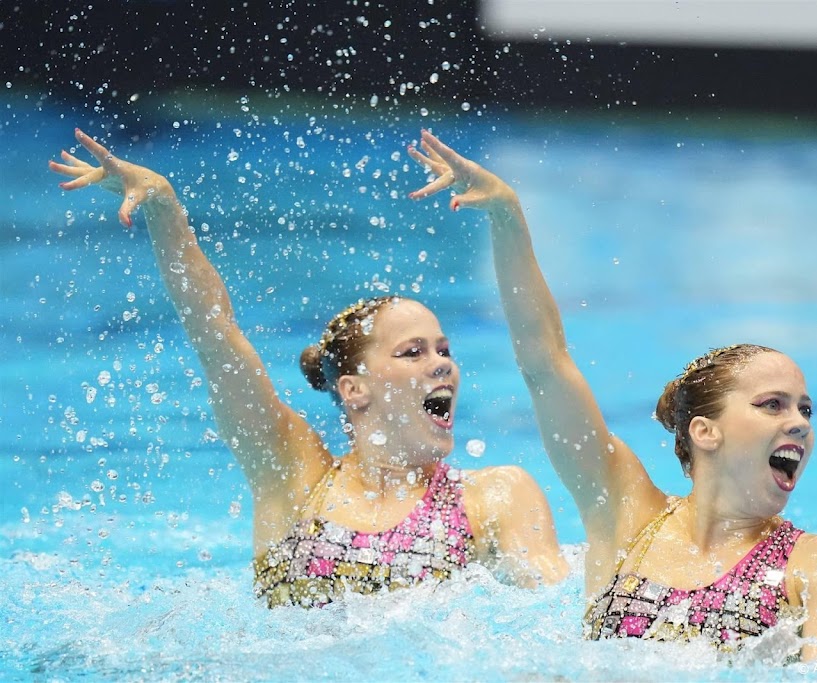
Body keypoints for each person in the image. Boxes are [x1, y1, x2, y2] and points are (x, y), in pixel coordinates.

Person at [49, 129, 568, 608]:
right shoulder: (293, 474)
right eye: (413, 352)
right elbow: (215, 336)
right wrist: (164, 206)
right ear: (354, 389)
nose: (443, 366)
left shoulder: (495, 498)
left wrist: (505, 211)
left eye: (444, 350)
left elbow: (556, 627)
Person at [408, 130, 817, 661]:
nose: (799, 423)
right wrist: (508, 216)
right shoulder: (624, 513)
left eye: (804, 409)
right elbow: (545, 365)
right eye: (773, 404)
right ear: (705, 431)